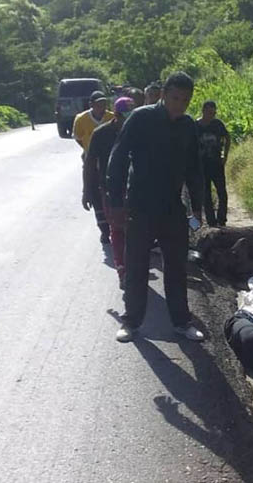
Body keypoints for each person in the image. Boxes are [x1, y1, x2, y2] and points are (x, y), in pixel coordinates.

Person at [107, 72, 205, 343]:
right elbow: (118, 158)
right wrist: (115, 202)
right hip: (140, 205)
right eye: (175, 98)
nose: (180, 105)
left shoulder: (187, 126)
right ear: (164, 95)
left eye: (186, 100)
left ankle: (181, 322)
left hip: (173, 206)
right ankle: (132, 322)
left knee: (176, 266)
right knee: (136, 266)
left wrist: (197, 208)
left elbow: (194, 169)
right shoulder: (142, 118)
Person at [82, 97, 135, 287]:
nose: (126, 122)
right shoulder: (101, 133)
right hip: (110, 189)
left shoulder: (138, 131)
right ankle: (122, 270)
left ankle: (134, 268)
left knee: (136, 231)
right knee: (117, 230)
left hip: (136, 189)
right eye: (123, 117)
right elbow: (89, 163)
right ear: (116, 115)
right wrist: (87, 190)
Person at [73, 90, 115, 243]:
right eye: (98, 104)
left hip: (110, 162)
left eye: (104, 103)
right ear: (91, 105)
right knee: (95, 196)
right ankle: (104, 231)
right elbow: (78, 138)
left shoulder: (111, 117)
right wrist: (89, 151)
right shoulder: (81, 119)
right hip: (91, 162)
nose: (102, 107)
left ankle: (115, 226)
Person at [196, 100, 231, 227]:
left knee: (222, 192)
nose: (212, 115)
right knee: (206, 195)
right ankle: (211, 222)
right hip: (202, 166)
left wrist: (225, 155)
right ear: (203, 111)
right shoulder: (196, 125)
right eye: (210, 112)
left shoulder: (217, 124)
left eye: (214, 113)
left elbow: (227, 137)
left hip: (216, 163)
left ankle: (222, 220)